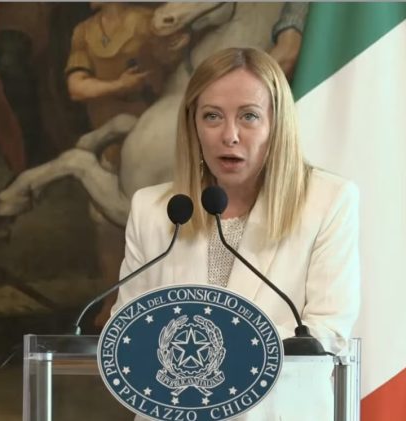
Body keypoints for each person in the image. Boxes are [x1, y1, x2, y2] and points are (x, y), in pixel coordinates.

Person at [112, 47, 360, 420]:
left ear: (277, 124)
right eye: (212, 116)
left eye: (249, 116)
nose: (229, 135)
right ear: (192, 125)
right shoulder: (154, 210)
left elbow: (327, 331)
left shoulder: (327, 202)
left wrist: (213, 352)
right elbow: (127, 330)